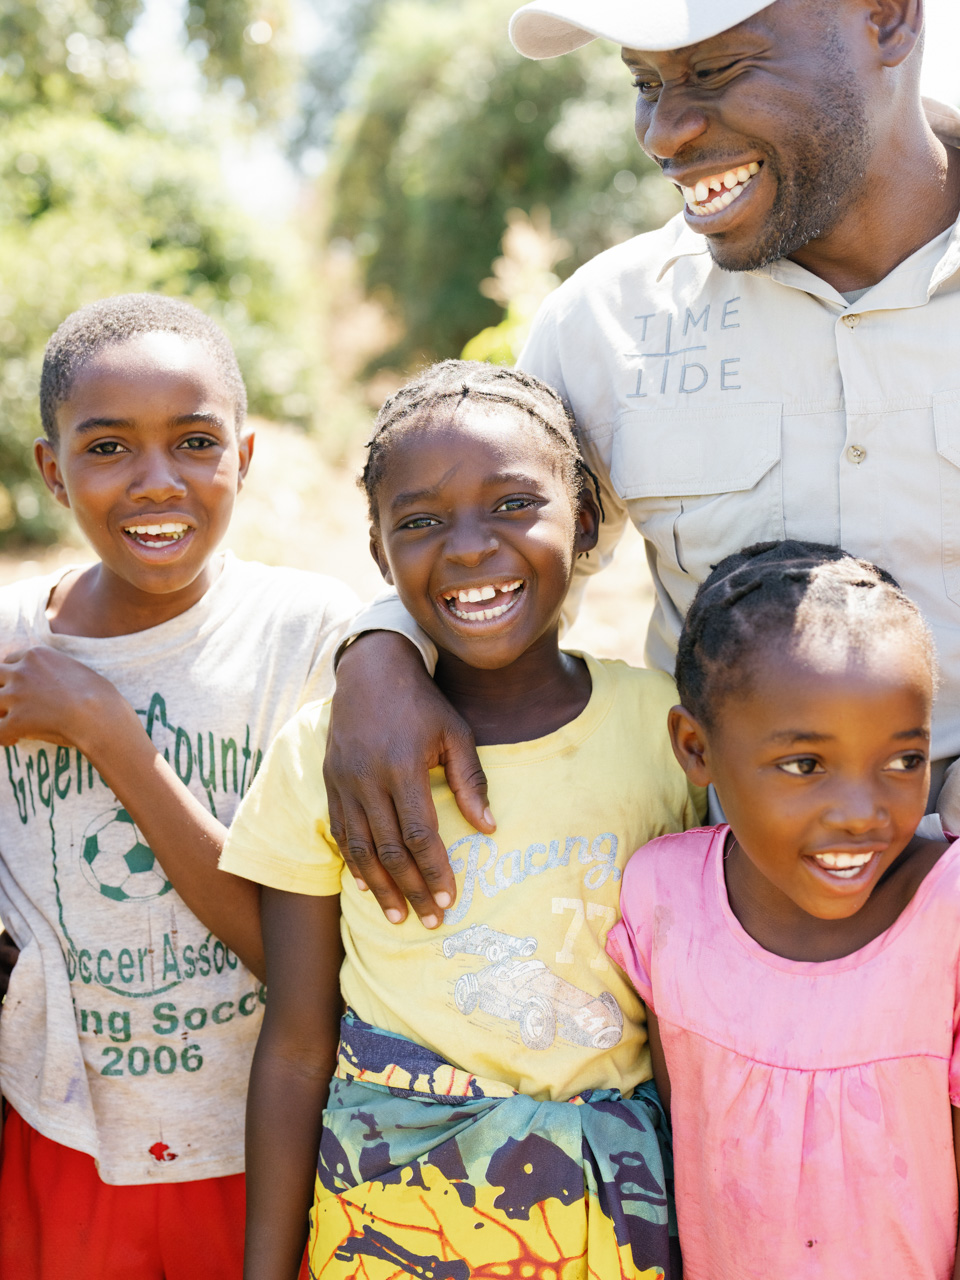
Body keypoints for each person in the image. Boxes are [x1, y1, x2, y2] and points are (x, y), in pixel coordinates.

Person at [319, 0, 960, 929]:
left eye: (717, 69)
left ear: (888, 19)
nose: (665, 132)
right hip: (725, 939)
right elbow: (486, 537)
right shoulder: (608, 323)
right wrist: (381, 656)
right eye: (646, 82)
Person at [219, 360, 704, 1280]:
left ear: (586, 521)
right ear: (378, 554)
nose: (472, 547)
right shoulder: (327, 754)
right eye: (421, 521)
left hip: (616, 1221)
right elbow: (296, 1043)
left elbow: (697, 1014)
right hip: (396, 1223)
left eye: (514, 504)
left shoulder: (663, 730)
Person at [0, 294, 359, 1279]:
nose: (156, 481)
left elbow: (297, 962)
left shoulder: (311, 637)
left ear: (244, 455)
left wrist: (108, 734)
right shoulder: (12, 646)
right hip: (60, 1138)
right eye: (107, 447)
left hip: (260, 1144)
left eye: (195, 442)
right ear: (53, 471)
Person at [607, 539, 960, 1278]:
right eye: (806, 765)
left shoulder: (947, 916)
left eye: (903, 760)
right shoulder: (664, 896)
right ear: (695, 749)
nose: (861, 813)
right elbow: (681, 1130)